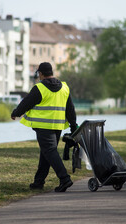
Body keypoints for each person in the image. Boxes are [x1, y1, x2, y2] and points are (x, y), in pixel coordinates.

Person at [11, 62, 78, 192]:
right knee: (46, 152)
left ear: (41, 74)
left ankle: (65, 179)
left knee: (50, 151)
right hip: (57, 126)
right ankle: (38, 181)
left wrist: (16, 113)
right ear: (51, 72)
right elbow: (70, 109)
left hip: (43, 126)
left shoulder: (39, 88)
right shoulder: (64, 88)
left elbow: (26, 103)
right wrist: (73, 125)